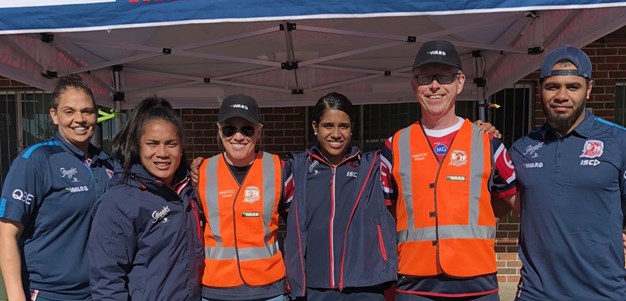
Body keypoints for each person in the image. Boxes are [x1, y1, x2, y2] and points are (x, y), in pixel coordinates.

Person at [380, 40, 517, 301]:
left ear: (460, 81)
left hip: (477, 282)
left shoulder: (489, 143)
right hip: (414, 282)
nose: (434, 85)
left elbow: (511, 201)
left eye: (444, 76)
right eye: (425, 77)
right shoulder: (394, 146)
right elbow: (388, 211)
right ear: (413, 83)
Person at [509, 45, 626, 300]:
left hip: (603, 292)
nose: (562, 95)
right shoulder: (522, 149)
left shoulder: (619, 142)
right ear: (540, 89)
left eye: (573, 86)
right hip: (535, 293)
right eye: (552, 86)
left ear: (589, 89)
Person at [0, 74, 113, 301]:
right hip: (49, 293)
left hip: (98, 291)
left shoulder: (108, 163)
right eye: (69, 111)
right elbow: (7, 233)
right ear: (54, 115)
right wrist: (15, 296)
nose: (79, 119)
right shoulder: (36, 160)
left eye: (87, 111)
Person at [284, 92, 398, 301]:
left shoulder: (373, 166)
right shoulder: (296, 169)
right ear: (314, 127)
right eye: (328, 125)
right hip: (313, 287)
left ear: (351, 128)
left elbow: (417, 154)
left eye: (343, 126)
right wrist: (201, 166)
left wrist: (477, 131)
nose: (336, 134)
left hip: (366, 286)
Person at [88, 97, 204, 300]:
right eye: (152, 144)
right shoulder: (119, 201)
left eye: (171, 144)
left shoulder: (188, 191)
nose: (162, 153)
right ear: (137, 146)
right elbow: (107, 279)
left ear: (181, 146)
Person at [194, 94, 291, 301]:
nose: (238, 136)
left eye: (247, 129)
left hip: (268, 289)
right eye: (230, 129)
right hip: (216, 289)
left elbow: (299, 229)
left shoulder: (279, 170)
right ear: (219, 131)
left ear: (258, 132)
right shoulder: (202, 172)